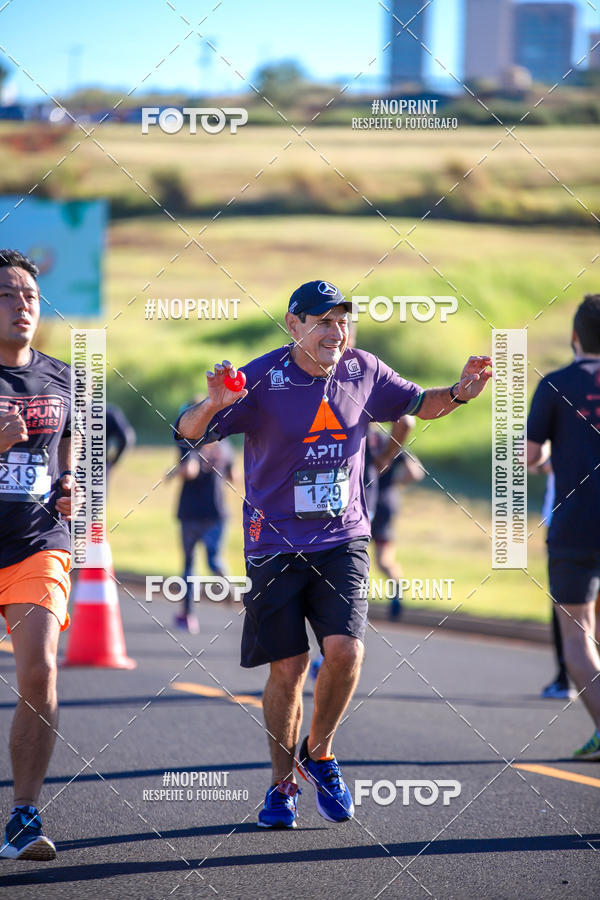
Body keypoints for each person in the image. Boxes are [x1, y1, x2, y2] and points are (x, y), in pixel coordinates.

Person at [176, 279, 492, 828]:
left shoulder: (364, 370)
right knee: (289, 668)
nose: (336, 330)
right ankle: (281, 788)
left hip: (342, 537)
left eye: (343, 319)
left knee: (345, 651)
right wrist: (213, 404)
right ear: (293, 325)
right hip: (273, 544)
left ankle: (318, 752)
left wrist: (462, 391)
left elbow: (424, 404)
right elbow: (186, 430)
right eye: (323, 320)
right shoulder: (262, 376)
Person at [0, 250, 73, 859]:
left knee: (40, 670)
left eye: (29, 295)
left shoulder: (63, 378)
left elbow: (79, 448)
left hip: (36, 544)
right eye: (7, 294)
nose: (21, 305)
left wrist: (76, 484)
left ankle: (23, 815)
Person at [527, 294, 600, 759]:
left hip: (575, 526)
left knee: (578, 634)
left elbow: (531, 457)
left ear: (575, 338)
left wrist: (552, 457)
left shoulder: (554, 385)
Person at [171, 399, 234, 633]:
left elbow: (190, 470)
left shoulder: (188, 442)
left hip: (191, 512)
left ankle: (186, 616)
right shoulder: (223, 444)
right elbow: (233, 476)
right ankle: (228, 584)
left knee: (188, 564)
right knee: (214, 559)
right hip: (217, 511)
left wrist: (173, 473)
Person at [366, 418, 424, 619]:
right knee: (384, 559)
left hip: (362, 503)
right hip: (386, 503)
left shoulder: (356, 440)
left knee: (349, 553)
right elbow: (415, 473)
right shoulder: (389, 440)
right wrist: (392, 482)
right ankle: (396, 589)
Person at [106, 403, 135, 482]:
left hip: (73, 470)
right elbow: (126, 438)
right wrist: (114, 461)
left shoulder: (72, 410)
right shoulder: (108, 412)